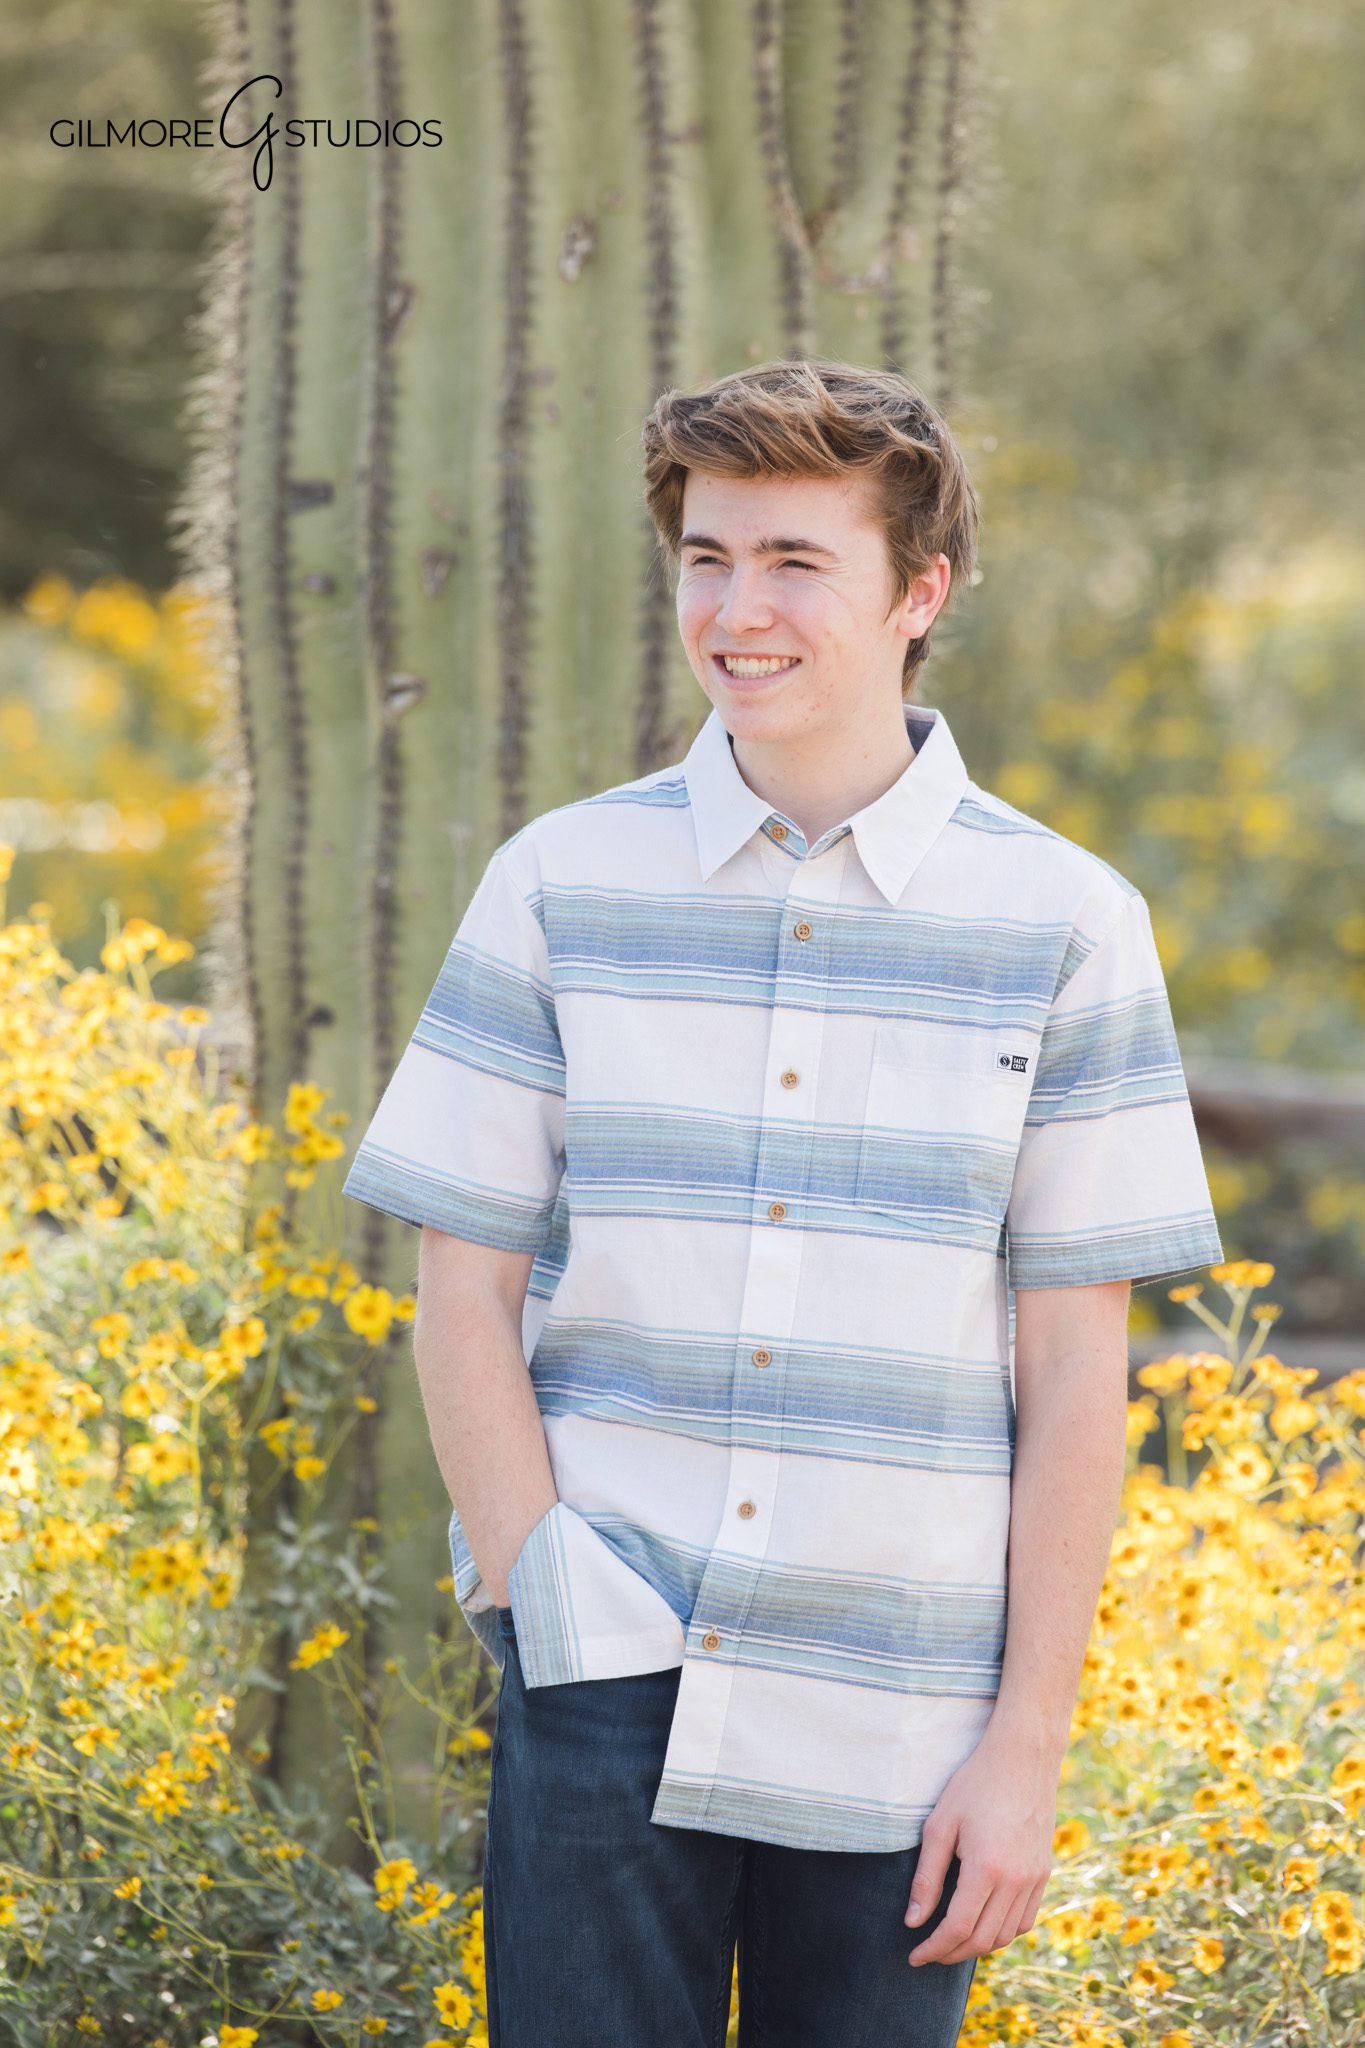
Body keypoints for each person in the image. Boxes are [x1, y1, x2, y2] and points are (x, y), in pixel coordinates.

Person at [342, 357, 1224, 2047]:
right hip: (606, 1667)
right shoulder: (556, 884)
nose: (736, 611)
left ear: (919, 593)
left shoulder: (1067, 922)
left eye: (794, 564)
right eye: (705, 559)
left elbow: (1075, 1372)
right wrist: (548, 1592)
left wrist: (1024, 1744)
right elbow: (462, 1290)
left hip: (904, 1713)